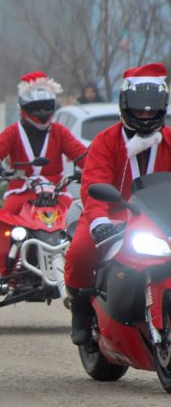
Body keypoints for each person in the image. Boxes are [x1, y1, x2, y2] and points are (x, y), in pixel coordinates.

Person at [65, 63, 171, 345]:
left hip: (160, 220)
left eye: (151, 110)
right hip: (112, 216)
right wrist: (99, 222)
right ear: (126, 106)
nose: (146, 115)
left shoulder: (170, 140)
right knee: (79, 252)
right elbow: (93, 184)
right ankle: (80, 308)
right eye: (140, 110)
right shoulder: (105, 141)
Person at [0, 71, 87, 216]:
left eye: (45, 107)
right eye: (37, 108)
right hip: (22, 190)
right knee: (6, 219)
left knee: (75, 219)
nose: (42, 112)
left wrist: (94, 167)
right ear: (25, 108)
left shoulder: (59, 131)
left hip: (56, 192)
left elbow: (80, 152)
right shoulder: (13, 132)